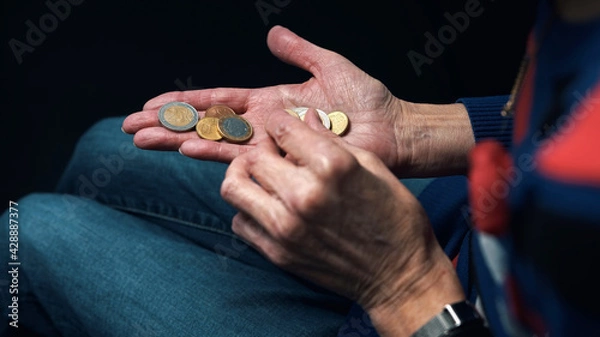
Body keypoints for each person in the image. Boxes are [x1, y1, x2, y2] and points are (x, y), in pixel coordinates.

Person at [2, 0, 599, 336]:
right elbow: (562, 113)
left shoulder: (577, 206)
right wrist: (414, 128)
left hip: (424, 311)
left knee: (24, 234)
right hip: (458, 229)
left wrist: (402, 286)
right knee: (106, 150)